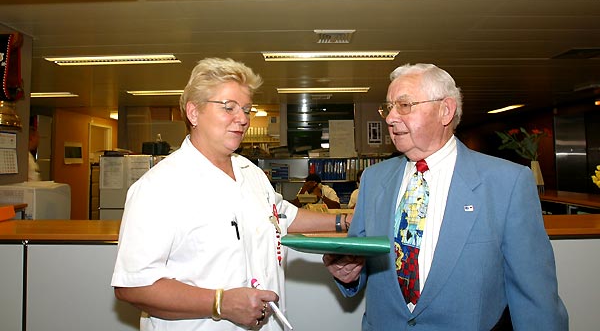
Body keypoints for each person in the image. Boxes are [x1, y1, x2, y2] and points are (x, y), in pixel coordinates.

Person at [323, 63, 568, 330]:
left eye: (404, 105)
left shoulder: (506, 183)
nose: (391, 117)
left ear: (445, 110)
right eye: (389, 107)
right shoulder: (374, 180)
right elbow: (359, 255)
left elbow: (535, 296)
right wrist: (348, 272)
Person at [111, 57, 349, 331]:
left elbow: (283, 216)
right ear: (193, 112)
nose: (243, 119)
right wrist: (220, 303)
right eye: (229, 107)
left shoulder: (251, 173)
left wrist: (343, 221)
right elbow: (134, 286)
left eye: (247, 109)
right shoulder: (159, 187)